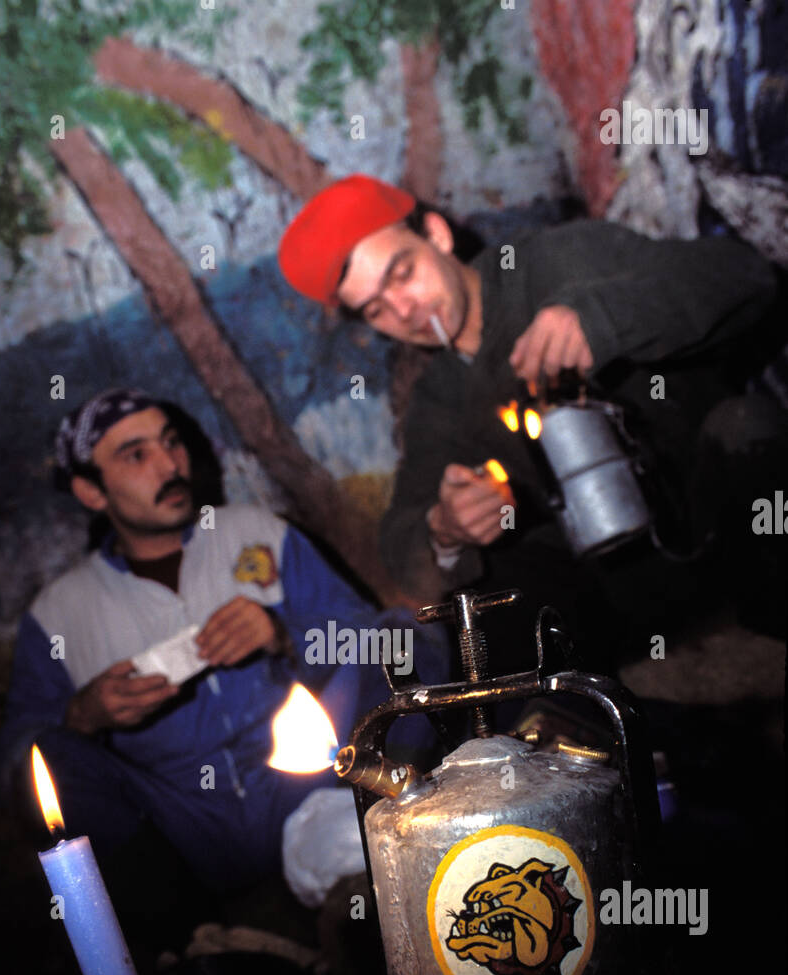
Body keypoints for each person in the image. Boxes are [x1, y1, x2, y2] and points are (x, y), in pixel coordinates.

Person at [278, 175, 786, 663]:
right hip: (617, 598)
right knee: (492, 586)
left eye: (402, 273)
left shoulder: (553, 264)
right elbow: (401, 537)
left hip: (716, 526)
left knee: (746, 425)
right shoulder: (439, 402)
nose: (403, 310)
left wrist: (602, 318)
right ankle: (587, 727)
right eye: (375, 310)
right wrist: (445, 528)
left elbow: (744, 277)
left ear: (436, 234)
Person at [0, 388, 446, 904]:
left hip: (304, 782)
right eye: (136, 454)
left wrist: (285, 635)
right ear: (91, 491)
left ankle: (395, 810)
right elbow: (13, 757)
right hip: (174, 818)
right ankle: (173, 929)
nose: (169, 464)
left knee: (399, 638)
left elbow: (361, 636)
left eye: (171, 443)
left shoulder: (254, 534)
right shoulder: (59, 611)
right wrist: (83, 715)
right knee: (50, 758)